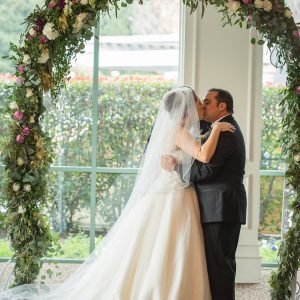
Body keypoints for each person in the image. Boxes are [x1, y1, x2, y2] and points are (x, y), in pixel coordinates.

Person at [0, 87, 235, 300]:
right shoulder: (181, 131)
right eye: (197, 101)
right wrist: (215, 129)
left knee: (159, 246)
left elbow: (192, 150)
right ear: (188, 106)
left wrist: (198, 142)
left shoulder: (181, 131)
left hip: (174, 192)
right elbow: (203, 155)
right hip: (174, 196)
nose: (201, 105)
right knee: (171, 245)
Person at [162, 88, 247, 300]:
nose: (202, 106)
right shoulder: (212, 127)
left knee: (220, 267)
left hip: (220, 206)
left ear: (222, 107)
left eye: (206, 102)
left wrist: (176, 168)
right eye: (199, 102)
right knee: (214, 264)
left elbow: (208, 168)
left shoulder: (226, 131)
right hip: (212, 205)